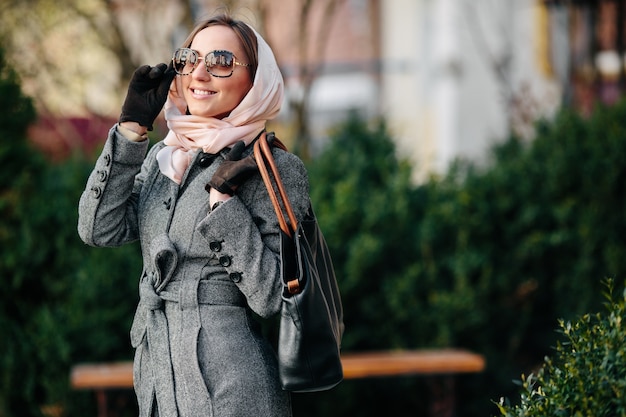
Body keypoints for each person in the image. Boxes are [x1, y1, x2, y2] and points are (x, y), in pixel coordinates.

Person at [78, 13, 310, 417]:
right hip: (158, 381)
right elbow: (99, 228)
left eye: (220, 62)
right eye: (189, 59)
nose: (199, 74)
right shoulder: (164, 158)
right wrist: (131, 131)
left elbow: (273, 296)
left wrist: (223, 203)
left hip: (234, 391)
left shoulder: (274, 167)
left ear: (254, 80)